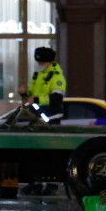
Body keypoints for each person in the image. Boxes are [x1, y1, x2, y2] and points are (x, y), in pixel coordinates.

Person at [19, 46, 67, 194]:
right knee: (36, 153)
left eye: (40, 60)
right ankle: (36, 182)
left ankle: (51, 184)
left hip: (50, 118)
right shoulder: (39, 75)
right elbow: (32, 96)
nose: (39, 63)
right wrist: (24, 93)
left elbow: (57, 98)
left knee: (50, 153)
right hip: (38, 118)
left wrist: (37, 99)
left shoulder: (56, 75)